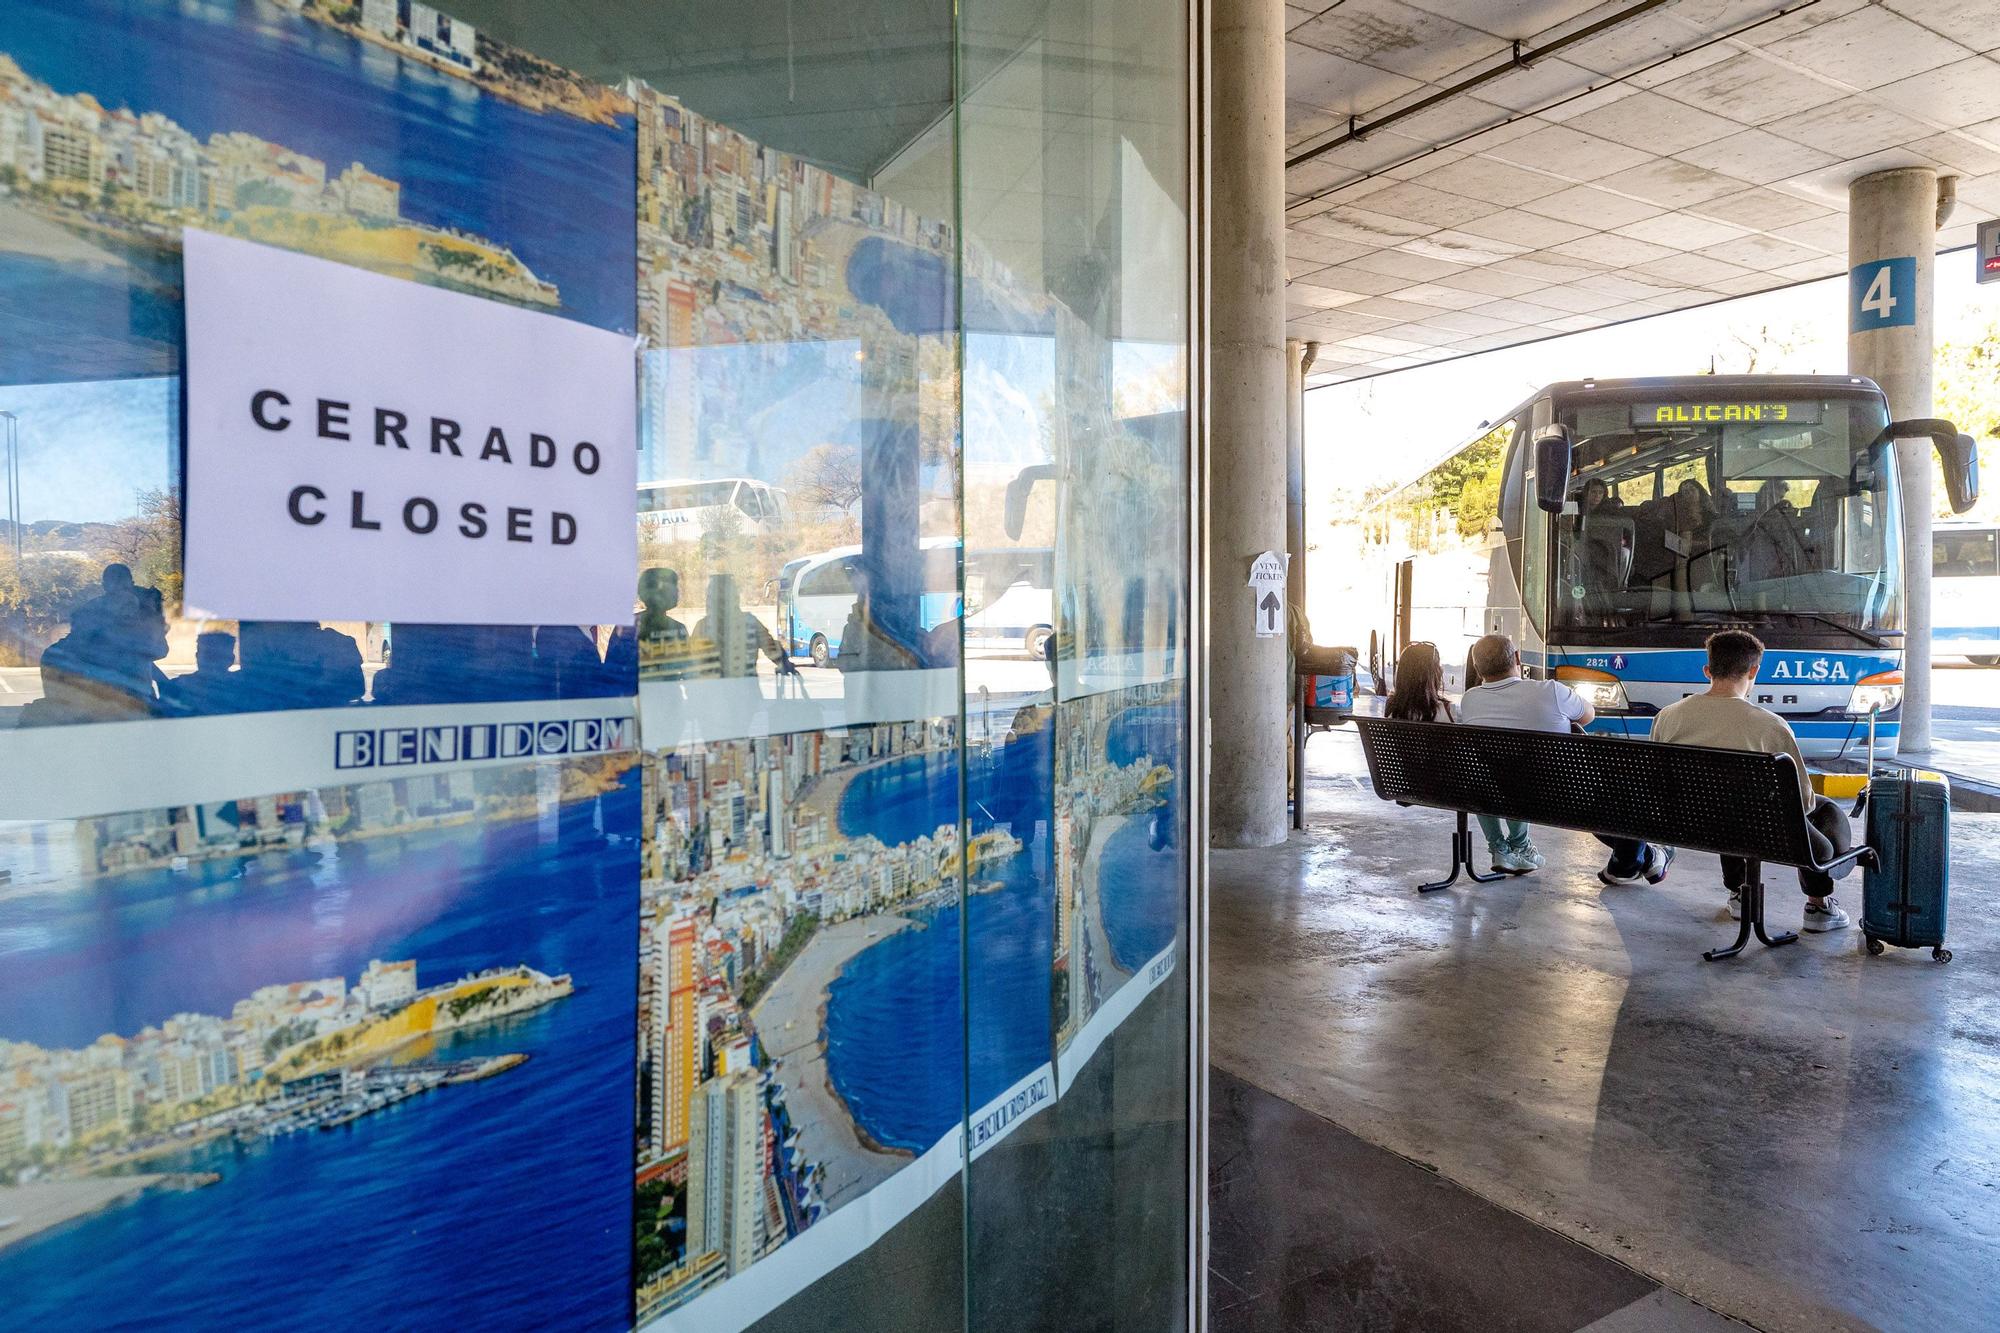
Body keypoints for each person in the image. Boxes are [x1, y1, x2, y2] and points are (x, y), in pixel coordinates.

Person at [1649, 629, 1854, 931]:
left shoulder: (1668, 716)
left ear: (1707, 670)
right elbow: (1804, 800)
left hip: (1689, 822)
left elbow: (1657, 779)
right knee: (1823, 812)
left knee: (1727, 803)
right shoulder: (1769, 725)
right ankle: (1819, 905)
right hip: (1757, 829)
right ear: (1754, 670)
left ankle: (1739, 894)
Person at [1456, 634, 1609, 877]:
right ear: (1517, 658)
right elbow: (1588, 715)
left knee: (1489, 775)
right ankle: (1521, 846)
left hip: (1494, 793)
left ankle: (1500, 847)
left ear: (1476, 668)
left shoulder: (1470, 700)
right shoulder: (1550, 691)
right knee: (1520, 774)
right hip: (1559, 797)